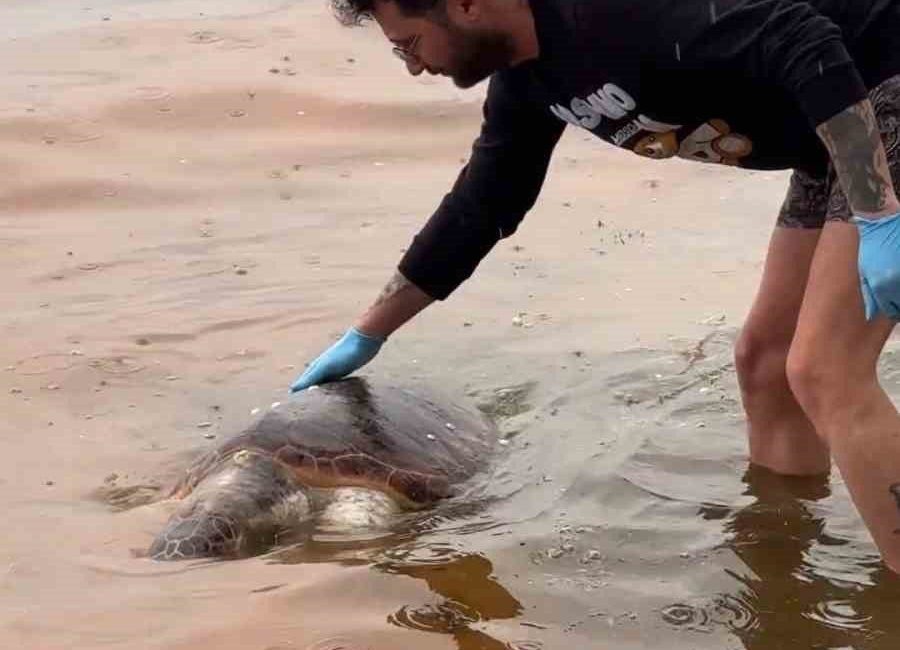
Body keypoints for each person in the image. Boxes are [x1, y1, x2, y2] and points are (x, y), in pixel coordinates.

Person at [289, 0, 900, 573]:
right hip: (836, 136)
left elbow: (803, 37)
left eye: (410, 43)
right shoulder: (529, 78)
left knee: (825, 369)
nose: (416, 66)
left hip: (881, 89)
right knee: (766, 365)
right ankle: (786, 564)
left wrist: (877, 214)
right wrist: (367, 334)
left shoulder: (618, 14)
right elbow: (483, 203)